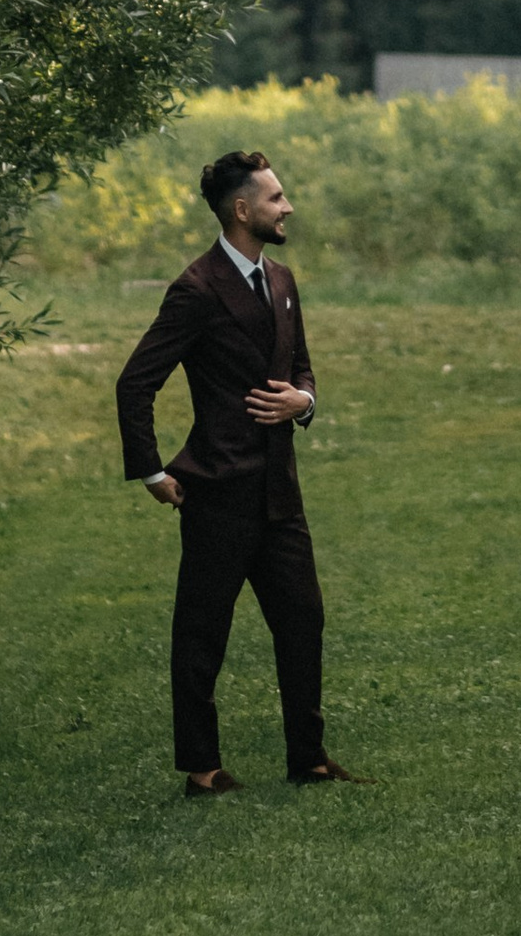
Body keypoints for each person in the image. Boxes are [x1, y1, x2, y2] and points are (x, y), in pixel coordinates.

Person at [115, 149, 363, 797]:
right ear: (242, 208)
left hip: (280, 492)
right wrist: (149, 470)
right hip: (217, 494)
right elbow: (135, 382)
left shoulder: (282, 280)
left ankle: (307, 758)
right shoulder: (196, 289)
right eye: (277, 197)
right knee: (202, 636)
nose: (288, 206)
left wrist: (301, 402)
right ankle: (203, 769)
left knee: (303, 621)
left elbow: (301, 367)